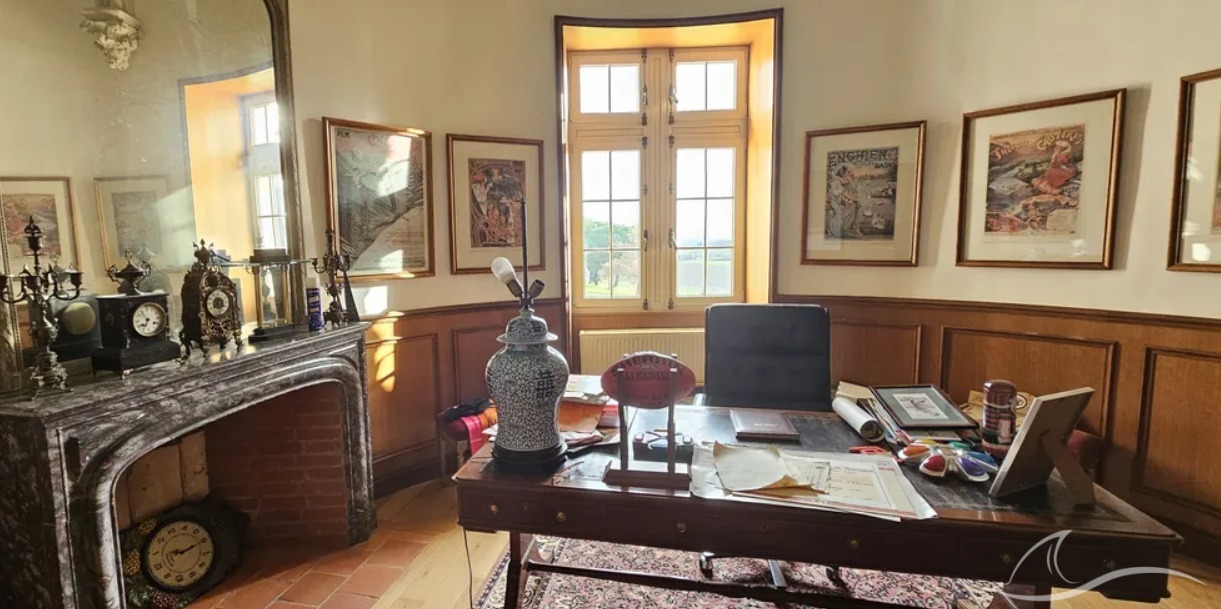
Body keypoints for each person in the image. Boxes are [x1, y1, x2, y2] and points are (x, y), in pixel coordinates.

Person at [828, 164, 862, 239]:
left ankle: (849, 227)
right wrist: (852, 198)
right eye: (846, 172)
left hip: (840, 200)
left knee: (855, 205)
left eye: (848, 173)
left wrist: (853, 198)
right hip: (835, 201)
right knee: (852, 205)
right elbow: (840, 194)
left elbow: (847, 192)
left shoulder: (844, 181)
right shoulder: (836, 182)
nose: (847, 174)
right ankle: (844, 228)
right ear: (842, 173)